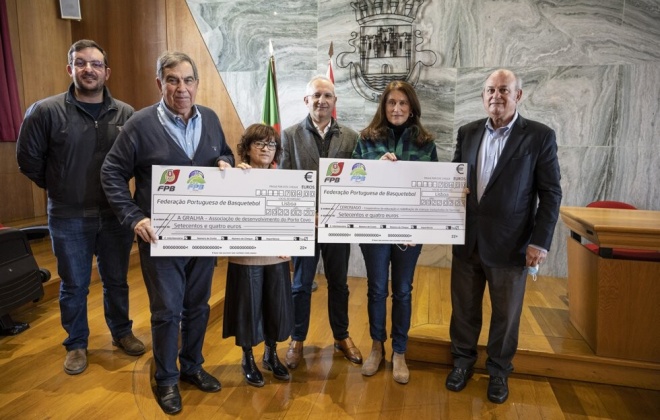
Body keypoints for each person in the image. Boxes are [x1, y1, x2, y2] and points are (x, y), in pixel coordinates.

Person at [101, 51, 235, 415]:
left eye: (188, 80)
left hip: (204, 235)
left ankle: (191, 366)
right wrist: (133, 217)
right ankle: (166, 379)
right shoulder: (140, 124)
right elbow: (111, 172)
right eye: (172, 80)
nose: (181, 88)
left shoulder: (209, 118)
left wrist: (226, 161)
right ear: (159, 83)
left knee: (198, 307)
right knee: (167, 310)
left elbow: (223, 153)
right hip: (161, 238)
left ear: (196, 83)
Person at [16, 39, 144, 376]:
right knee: (73, 284)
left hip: (115, 214)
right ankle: (76, 343)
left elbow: (137, 160)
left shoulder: (126, 113)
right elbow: (28, 160)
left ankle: (121, 332)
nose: (89, 69)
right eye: (81, 63)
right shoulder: (45, 111)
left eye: (96, 64)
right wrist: (61, 184)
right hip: (68, 216)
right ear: (69, 68)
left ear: (107, 71)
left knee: (117, 280)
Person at [445, 69, 562, 403]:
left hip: (512, 245)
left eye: (504, 90)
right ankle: (463, 363)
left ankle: (498, 371)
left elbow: (551, 193)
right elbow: (454, 180)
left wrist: (539, 241)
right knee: (463, 310)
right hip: (467, 241)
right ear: (483, 95)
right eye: (490, 90)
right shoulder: (467, 132)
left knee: (506, 315)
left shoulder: (539, 136)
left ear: (518, 96)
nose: (496, 96)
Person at [353, 80, 438, 384]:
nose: (397, 108)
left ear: (412, 107)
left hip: (408, 234)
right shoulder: (366, 138)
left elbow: (432, 188)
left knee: (402, 290)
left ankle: (399, 351)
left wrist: (423, 226)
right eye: (391, 103)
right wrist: (376, 165)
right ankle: (377, 346)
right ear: (383, 106)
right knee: (377, 289)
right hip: (373, 230)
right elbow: (353, 182)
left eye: (403, 103)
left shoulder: (426, 142)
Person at [279, 75, 363, 369]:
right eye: (316, 95)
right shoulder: (289, 136)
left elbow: (357, 182)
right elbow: (285, 182)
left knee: (339, 283)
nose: (321, 100)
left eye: (327, 96)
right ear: (307, 101)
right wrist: (305, 213)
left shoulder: (352, 138)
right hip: (305, 225)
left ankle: (342, 336)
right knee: (301, 284)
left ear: (334, 102)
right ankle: (297, 338)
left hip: (338, 226)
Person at [223, 123, 294, 387]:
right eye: (260, 143)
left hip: (276, 256)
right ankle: (247, 358)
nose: (266, 149)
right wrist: (233, 178)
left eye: (271, 144)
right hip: (246, 257)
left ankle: (271, 354)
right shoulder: (235, 176)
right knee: (248, 308)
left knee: (275, 306)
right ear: (247, 147)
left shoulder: (284, 179)